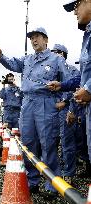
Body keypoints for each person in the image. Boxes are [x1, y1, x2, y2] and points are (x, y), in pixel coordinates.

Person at [0, 27, 70, 196]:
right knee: (27, 142)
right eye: (32, 38)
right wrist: (0, 56)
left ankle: (52, 184)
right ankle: (32, 180)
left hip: (46, 102)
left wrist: (64, 101)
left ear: (46, 40)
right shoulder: (27, 60)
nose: (34, 40)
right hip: (27, 104)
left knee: (48, 143)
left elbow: (68, 82)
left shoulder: (56, 59)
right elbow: (12, 63)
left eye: (37, 37)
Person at [47, 0, 91, 163]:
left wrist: (88, 89)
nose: (74, 12)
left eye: (76, 6)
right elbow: (83, 77)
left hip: (74, 109)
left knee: (74, 144)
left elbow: (85, 83)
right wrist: (62, 85)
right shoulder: (87, 35)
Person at [51, 44, 80, 184]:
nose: (52, 55)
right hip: (50, 111)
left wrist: (67, 104)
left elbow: (76, 90)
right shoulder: (50, 71)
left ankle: (68, 173)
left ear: (62, 54)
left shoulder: (73, 71)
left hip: (65, 110)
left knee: (67, 143)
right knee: (51, 142)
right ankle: (53, 170)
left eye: (55, 52)